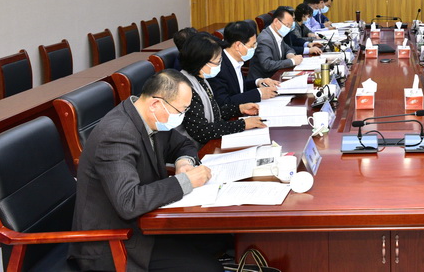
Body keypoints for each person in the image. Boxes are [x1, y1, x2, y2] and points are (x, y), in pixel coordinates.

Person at [70, 69, 226, 272]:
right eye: (181, 111)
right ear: (156, 104)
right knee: (209, 268)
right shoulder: (116, 135)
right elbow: (129, 202)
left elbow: (184, 144)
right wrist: (186, 182)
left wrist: (183, 162)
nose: (181, 117)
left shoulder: (149, 118)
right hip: (115, 242)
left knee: (220, 237)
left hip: (146, 223)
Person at [178, 32, 266, 147]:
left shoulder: (201, 78)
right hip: (197, 150)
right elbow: (202, 131)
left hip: (210, 142)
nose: (220, 64)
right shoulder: (185, 87)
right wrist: (242, 124)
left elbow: (214, 112)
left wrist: (239, 109)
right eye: (218, 61)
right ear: (201, 61)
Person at [208, 21, 280, 106]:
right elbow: (224, 102)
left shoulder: (235, 60)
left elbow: (239, 87)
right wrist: (259, 93)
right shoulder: (218, 66)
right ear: (238, 45)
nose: (254, 48)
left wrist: (258, 82)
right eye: (252, 46)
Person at [248, 5, 304, 82]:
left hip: (276, 75)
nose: (288, 28)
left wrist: (290, 55)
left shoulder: (277, 34)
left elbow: (288, 48)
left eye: (290, 26)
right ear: (276, 21)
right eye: (287, 25)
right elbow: (267, 65)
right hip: (263, 81)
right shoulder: (265, 39)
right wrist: (292, 61)